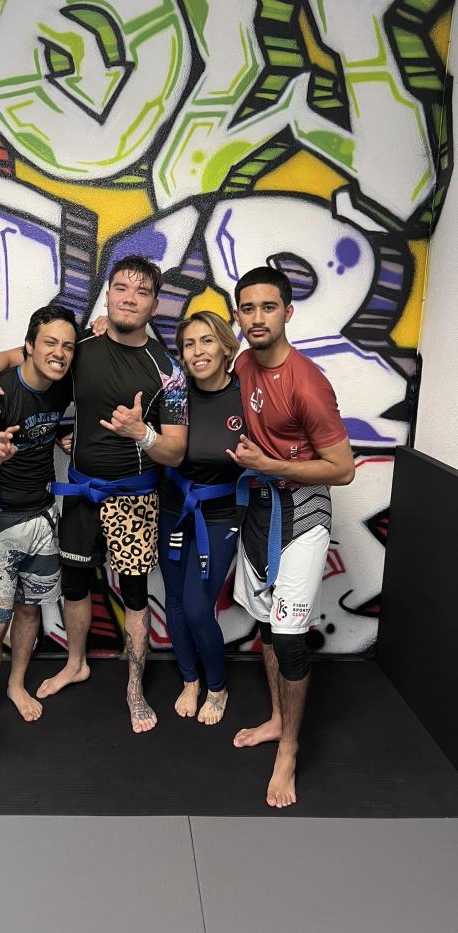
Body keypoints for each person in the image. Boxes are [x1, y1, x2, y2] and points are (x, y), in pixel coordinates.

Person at [0, 255, 188, 732]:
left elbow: (174, 451)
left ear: (154, 304)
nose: (130, 298)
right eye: (121, 288)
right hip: (81, 491)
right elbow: (19, 356)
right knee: (74, 584)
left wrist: (141, 433)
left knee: (135, 594)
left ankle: (134, 688)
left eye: (142, 292)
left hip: (134, 498)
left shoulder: (167, 370)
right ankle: (76, 663)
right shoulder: (81, 346)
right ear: (107, 295)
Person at [227, 266, 355, 808]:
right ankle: (278, 719)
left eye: (268, 307)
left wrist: (272, 465)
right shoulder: (241, 363)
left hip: (303, 512)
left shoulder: (307, 383)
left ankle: (290, 749)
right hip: (260, 508)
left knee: (289, 635)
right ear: (239, 314)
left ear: (288, 312)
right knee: (267, 624)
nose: (257, 318)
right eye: (248, 308)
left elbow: (343, 469)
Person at [0, 306, 76, 757]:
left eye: (67, 346)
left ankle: (15, 685)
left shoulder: (63, 382)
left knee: (30, 610)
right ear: (28, 346)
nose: (59, 353)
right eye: (49, 343)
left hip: (43, 517)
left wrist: (64, 436)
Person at [157, 311, 244, 725]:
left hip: (219, 514)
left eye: (207, 341)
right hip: (174, 509)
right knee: (175, 600)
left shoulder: (246, 396)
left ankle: (218, 686)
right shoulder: (175, 395)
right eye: (189, 344)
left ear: (226, 347)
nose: (197, 351)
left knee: (196, 607)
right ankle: (190, 679)